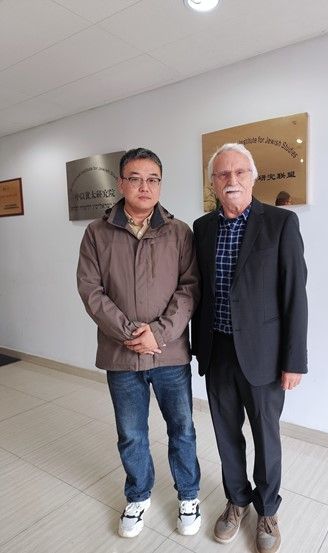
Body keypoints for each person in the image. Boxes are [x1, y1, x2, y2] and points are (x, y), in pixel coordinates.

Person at [77, 148, 201, 539]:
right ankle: (138, 495)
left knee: (182, 429)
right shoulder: (97, 233)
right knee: (131, 433)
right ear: (120, 183)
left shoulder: (179, 232)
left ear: (160, 184)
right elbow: (91, 290)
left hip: (169, 353)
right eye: (135, 178)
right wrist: (131, 332)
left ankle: (189, 495)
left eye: (152, 179)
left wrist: (158, 333)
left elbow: (189, 288)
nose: (144, 186)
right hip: (121, 354)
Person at [192, 143, 307, 553]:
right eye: (223, 174)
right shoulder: (202, 228)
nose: (232, 180)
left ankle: (268, 509)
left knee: (265, 436)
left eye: (240, 172)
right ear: (213, 182)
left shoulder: (281, 223)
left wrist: (294, 361)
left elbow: (294, 295)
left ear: (253, 177)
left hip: (264, 355)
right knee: (226, 434)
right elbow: (198, 291)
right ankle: (237, 500)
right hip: (217, 350)